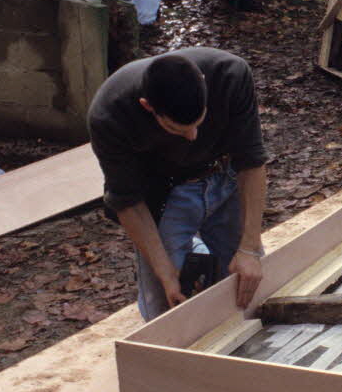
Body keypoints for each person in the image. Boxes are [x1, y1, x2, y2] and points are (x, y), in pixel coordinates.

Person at [87, 48, 269, 320]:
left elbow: (251, 161)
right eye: (176, 129)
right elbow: (127, 201)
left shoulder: (231, 75)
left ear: (204, 84)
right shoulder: (110, 115)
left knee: (248, 284)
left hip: (224, 175)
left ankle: (198, 251)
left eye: (199, 122)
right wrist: (165, 272)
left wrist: (249, 248)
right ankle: (192, 251)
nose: (193, 136)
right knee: (165, 309)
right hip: (163, 191)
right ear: (148, 106)